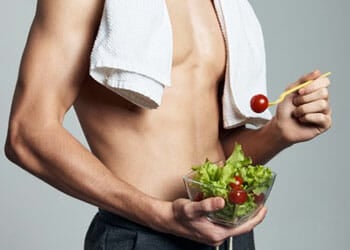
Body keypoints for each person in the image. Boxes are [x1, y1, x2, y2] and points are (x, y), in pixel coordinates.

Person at [4, 1, 332, 250]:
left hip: (229, 233)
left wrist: (278, 132)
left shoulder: (222, 7)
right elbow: (28, 133)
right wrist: (159, 215)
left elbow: (213, 160)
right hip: (142, 234)